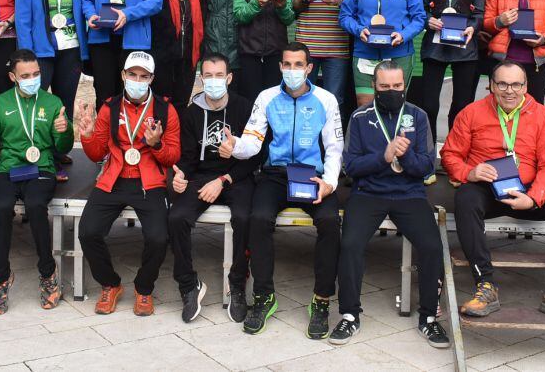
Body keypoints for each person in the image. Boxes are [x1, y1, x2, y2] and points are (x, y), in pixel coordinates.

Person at [441, 61, 545, 322]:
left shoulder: (541, 115)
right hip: (487, 191)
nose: (509, 91)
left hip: (528, 193)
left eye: (516, 84)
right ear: (491, 85)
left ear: (525, 86)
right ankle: (485, 285)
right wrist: (469, 173)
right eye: (502, 84)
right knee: (465, 197)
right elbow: (450, 155)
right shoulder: (471, 112)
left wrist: (534, 197)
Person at [222, 42, 343, 339]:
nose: (292, 71)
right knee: (258, 218)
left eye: (298, 65)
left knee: (329, 221)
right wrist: (235, 146)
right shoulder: (267, 97)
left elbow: (335, 147)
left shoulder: (326, 100)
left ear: (309, 68)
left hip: (312, 177)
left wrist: (329, 183)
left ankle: (322, 301)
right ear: (279, 67)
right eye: (286, 65)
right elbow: (253, 140)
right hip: (276, 175)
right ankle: (264, 296)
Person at [330, 62, 449, 348]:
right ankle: (349, 314)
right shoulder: (359, 117)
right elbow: (351, 167)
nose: (392, 91)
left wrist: (405, 157)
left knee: (432, 246)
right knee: (349, 245)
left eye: (397, 86)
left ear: (404, 86)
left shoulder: (418, 116)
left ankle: (429, 318)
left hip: (409, 194)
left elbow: (426, 166)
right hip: (368, 194)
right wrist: (383, 157)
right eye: (385, 86)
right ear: (374, 86)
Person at [77, 51, 181, 316]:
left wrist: (156, 144)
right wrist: (88, 136)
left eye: (143, 76)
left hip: (149, 182)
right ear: (123, 76)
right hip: (113, 179)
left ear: (152, 79)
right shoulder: (109, 107)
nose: (137, 80)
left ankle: (144, 288)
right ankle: (110, 284)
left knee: (159, 238)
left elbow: (173, 156)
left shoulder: (166, 110)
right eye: (132, 75)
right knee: (87, 231)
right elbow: (96, 154)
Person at [0, 49, 73, 315]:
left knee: (34, 206)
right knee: (4, 208)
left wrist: (65, 131)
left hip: (41, 168)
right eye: (26, 75)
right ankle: (1, 278)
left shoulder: (53, 102)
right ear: (13, 77)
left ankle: (47, 273)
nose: (33, 79)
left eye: (36, 74)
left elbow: (62, 146)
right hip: (8, 169)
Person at [169, 53, 258, 324]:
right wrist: (181, 174)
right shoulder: (192, 112)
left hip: (236, 176)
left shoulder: (245, 108)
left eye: (220, 75)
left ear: (229, 78)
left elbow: (255, 158)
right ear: (201, 78)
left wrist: (223, 181)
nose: (214, 81)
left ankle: (238, 284)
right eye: (208, 75)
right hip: (201, 175)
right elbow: (187, 156)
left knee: (244, 218)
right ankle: (188, 286)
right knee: (176, 218)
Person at [339, 0, 426, 107]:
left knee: (395, 104)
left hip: (399, 53)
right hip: (365, 53)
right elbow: (344, 17)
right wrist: (359, 30)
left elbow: (419, 18)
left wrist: (403, 34)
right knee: (365, 105)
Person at [419, 0, 485, 142]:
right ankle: (427, 156)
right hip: (435, 45)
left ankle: (453, 154)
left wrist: (472, 27)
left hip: (464, 45)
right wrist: (429, 20)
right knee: (428, 103)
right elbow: (421, 10)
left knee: (461, 105)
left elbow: (480, 11)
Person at [15, 0, 86, 117]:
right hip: (40, 51)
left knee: (65, 104)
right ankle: (35, 144)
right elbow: (23, 21)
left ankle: (63, 145)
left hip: (71, 49)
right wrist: (26, 55)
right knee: (35, 101)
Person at [151, 0, 204, 115]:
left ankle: (177, 142)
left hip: (188, 59)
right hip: (163, 58)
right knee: (161, 104)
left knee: (181, 105)